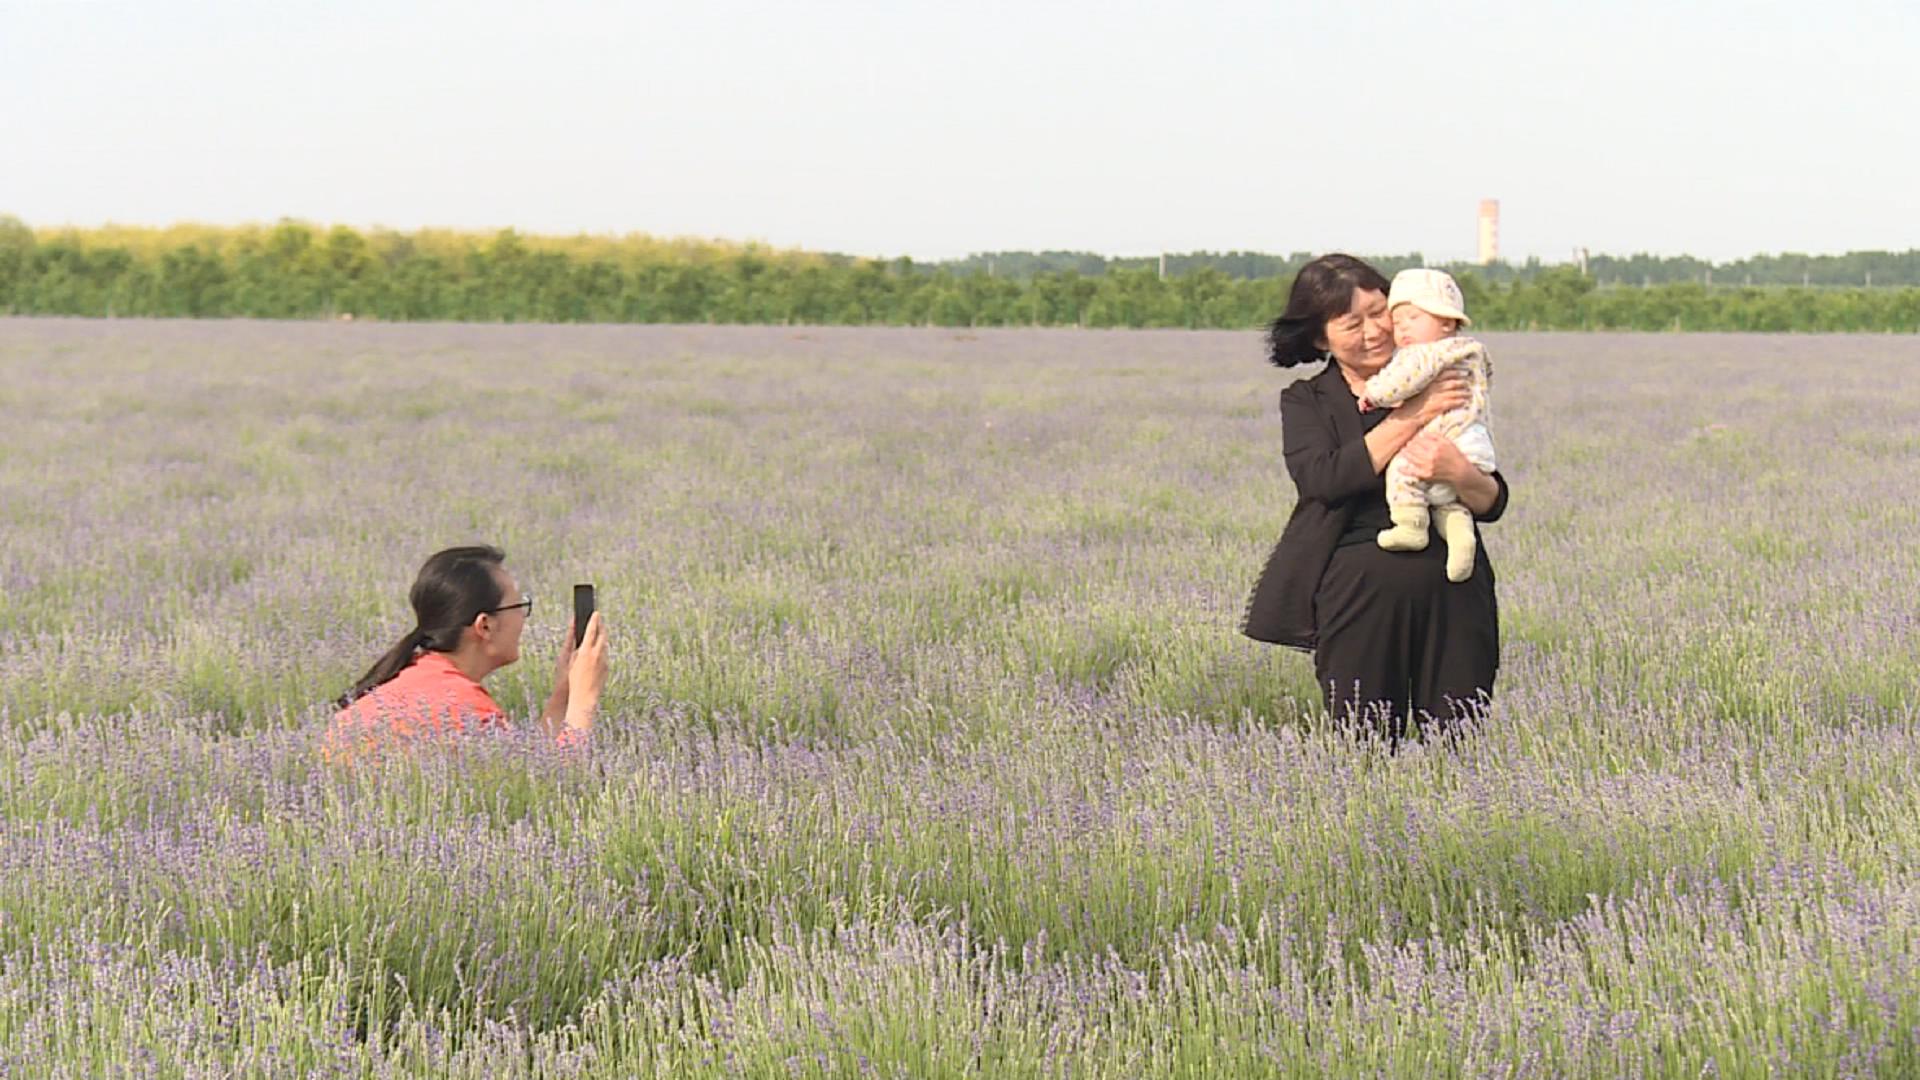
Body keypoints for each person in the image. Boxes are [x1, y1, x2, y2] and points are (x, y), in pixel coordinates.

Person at [1241, 254, 1509, 741]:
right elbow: (1325, 479)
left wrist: (1458, 472)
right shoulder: (1307, 401)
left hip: (1455, 592)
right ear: (1322, 338)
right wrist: (1414, 415)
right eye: (1352, 323)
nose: (1376, 331)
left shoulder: (1441, 369)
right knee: (1362, 745)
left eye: (1379, 312)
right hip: (1358, 599)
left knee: (1460, 746)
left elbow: (1492, 500)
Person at [327, 545, 609, 758]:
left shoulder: (416, 678)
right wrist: (585, 699)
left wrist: (564, 693)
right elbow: (555, 788)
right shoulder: (466, 710)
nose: (523, 619)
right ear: (484, 625)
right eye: (518, 606)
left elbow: (533, 766)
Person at [1354, 268, 1497, 583]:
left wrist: (1373, 393)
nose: (1402, 328)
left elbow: (1401, 381)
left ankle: (1410, 525)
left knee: (1403, 470)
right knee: (1448, 500)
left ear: (1446, 322)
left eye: (1413, 318)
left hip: (1444, 435)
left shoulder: (1423, 354)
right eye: (1398, 322)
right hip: (1474, 440)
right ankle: (1460, 536)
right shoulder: (1470, 350)